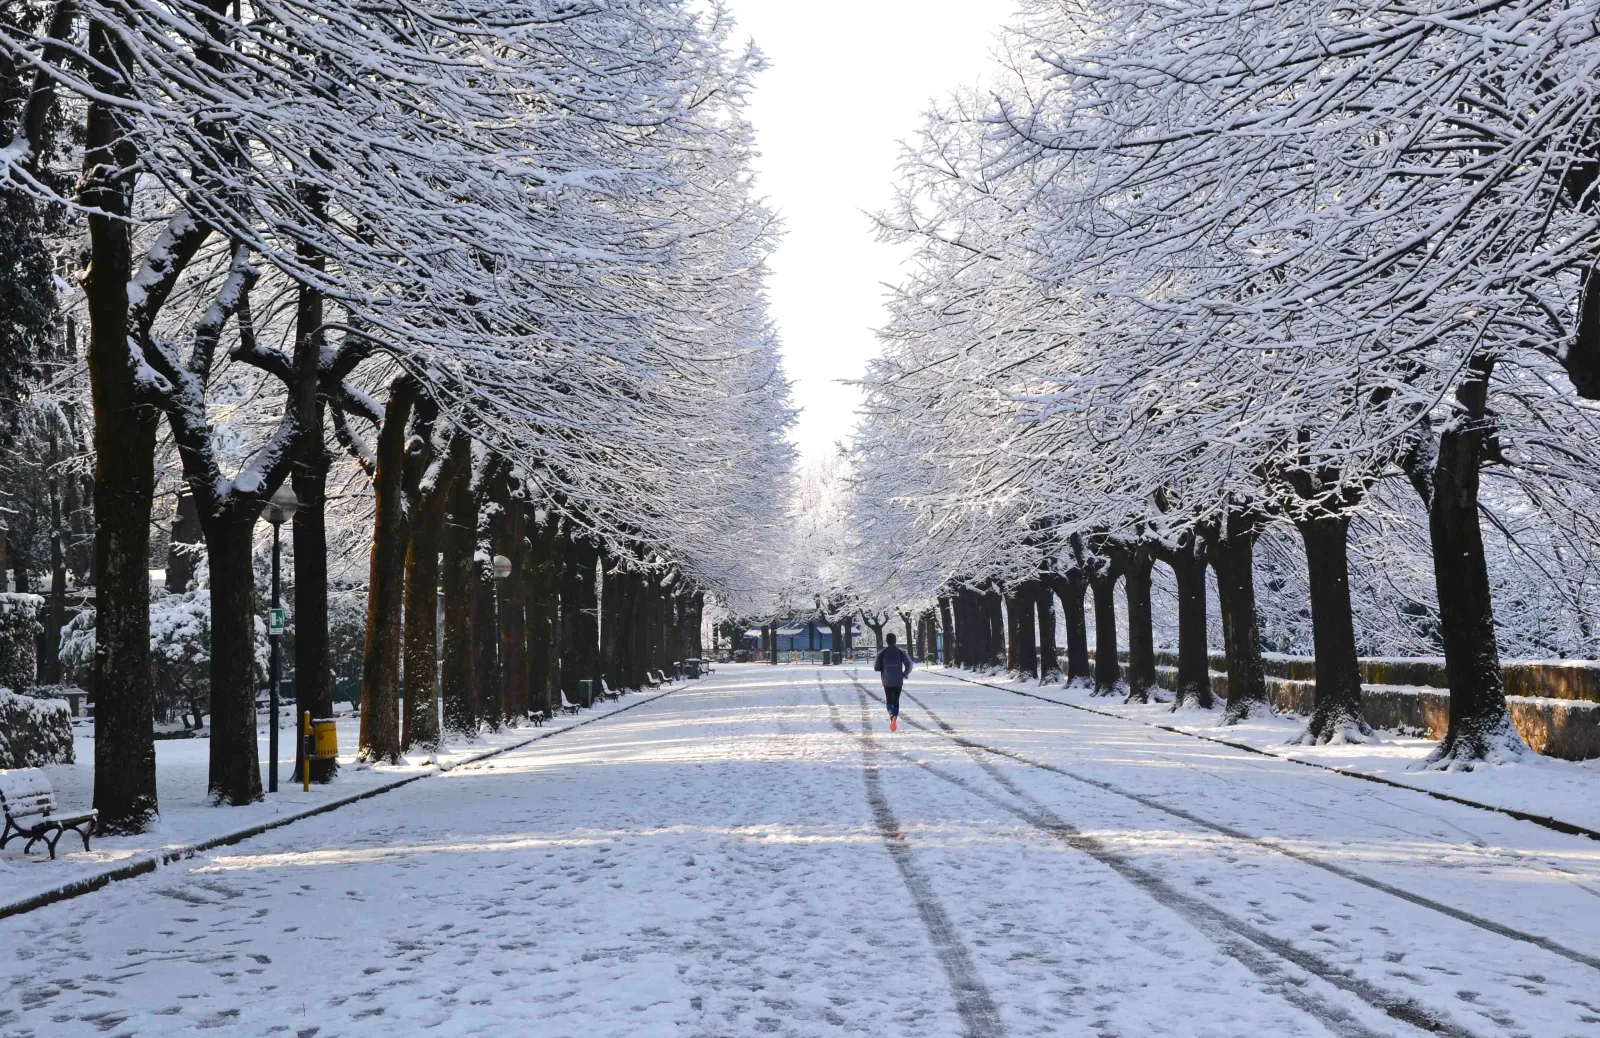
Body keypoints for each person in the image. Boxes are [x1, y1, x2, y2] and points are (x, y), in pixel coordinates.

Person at [873, 632, 914, 732]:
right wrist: (905, 674)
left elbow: (876, 667)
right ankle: (895, 716)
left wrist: (882, 668)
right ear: (895, 641)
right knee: (896, 700)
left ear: (887, 641)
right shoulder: (901, 652)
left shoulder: (882, 653)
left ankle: (891, 715)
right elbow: (909, 664)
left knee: (888, 699)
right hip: (898, 680)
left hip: (886, 680)